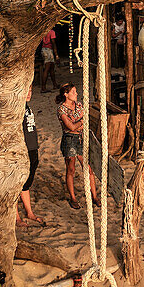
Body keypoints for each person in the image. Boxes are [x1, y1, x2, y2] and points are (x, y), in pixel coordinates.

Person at [56, 83, 98, 211]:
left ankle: (94, 196)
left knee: (89, 168)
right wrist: (81, 122)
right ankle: (73, 198)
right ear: (66, 94)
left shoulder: (78, 105)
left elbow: (85, 121)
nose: (76, 94)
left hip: (80, 138)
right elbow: (71, 127)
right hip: (70, 140)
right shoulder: (61, 109)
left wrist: (79, 124)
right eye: (73, 92)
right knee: (71, 169)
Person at [16, 86, 44, 226]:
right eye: (26, 90)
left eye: (31, 91)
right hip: (23, 149)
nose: (28, 94)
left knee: (26, 184)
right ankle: (16, 218)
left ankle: (29, 212)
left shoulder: (27, 107)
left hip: (33, 148)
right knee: (17, 184)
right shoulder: (17, 108)